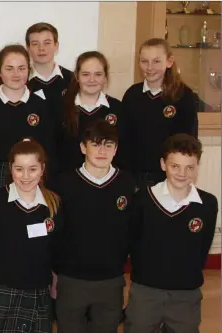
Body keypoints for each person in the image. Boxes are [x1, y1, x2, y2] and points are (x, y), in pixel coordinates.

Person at [125, 133, 218, 333]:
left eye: (189, 167)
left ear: (197, 167)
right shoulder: (143, 199)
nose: (182, 173)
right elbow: (132, 240)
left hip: (186, 295)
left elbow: (202, 248)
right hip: (146, 292)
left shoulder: (208, 204)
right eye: (175, 166)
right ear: (162, 164)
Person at [0, 138, 62, 333]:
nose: (26, 176)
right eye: (19, 169)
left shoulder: (54, 205)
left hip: (36, 293)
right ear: (11, 169)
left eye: (33, 169)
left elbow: (57, 250)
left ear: (43, 168)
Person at [53, 120, 136, 333]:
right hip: (71, 279)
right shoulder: (63, 184)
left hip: (111, 279)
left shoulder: (127, 183)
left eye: (108, 145)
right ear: (83, 147)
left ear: (116, 149)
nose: (102, 150)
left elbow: (132, 230)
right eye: (95, 144)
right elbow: (54, 232)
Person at [0, 45, 57, 194]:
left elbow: (50, 149)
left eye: (22, 68)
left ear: (29, 70)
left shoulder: (41, 105)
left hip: (32, 177)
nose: (16, 74)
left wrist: (49, 185)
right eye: (9, 68)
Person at [122, 38, 199, 187]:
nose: (149, 68)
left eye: (156, 61)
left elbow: (189, 141)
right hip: (135, 178)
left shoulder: (183, 95)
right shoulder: (132, 95)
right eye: (144, 61)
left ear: (169, 61)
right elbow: (124, 140)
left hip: (169, 178)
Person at [58, 51, 127, 173]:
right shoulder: (61, 107)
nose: (92, 80)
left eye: (98, 74)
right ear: (76, 76)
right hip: (67, 183)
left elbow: (124, 150)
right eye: (85, 74)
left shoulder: (117, 108)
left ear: (105, 77)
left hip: (106, 182)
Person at [25, 22, 73, 118]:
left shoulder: (73, 79)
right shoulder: (20, 80)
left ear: (56, 45)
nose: (41, 48)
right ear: (28, 48)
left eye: (47, 43)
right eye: (35, 44)